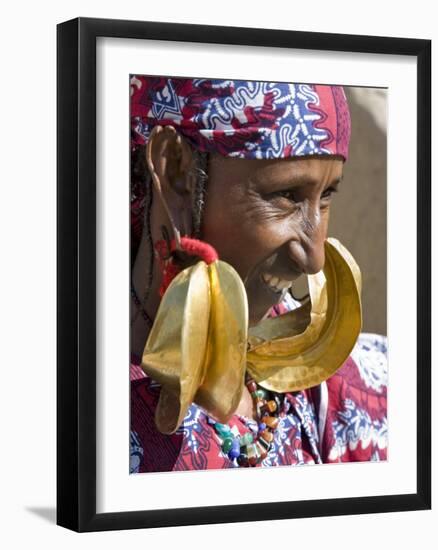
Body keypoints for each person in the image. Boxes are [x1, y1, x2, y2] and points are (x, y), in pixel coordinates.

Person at [129, 77, 387, 473]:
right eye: (286, 196)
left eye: (328, 195)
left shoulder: (335, 389)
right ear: (176, 173)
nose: (314, 258)